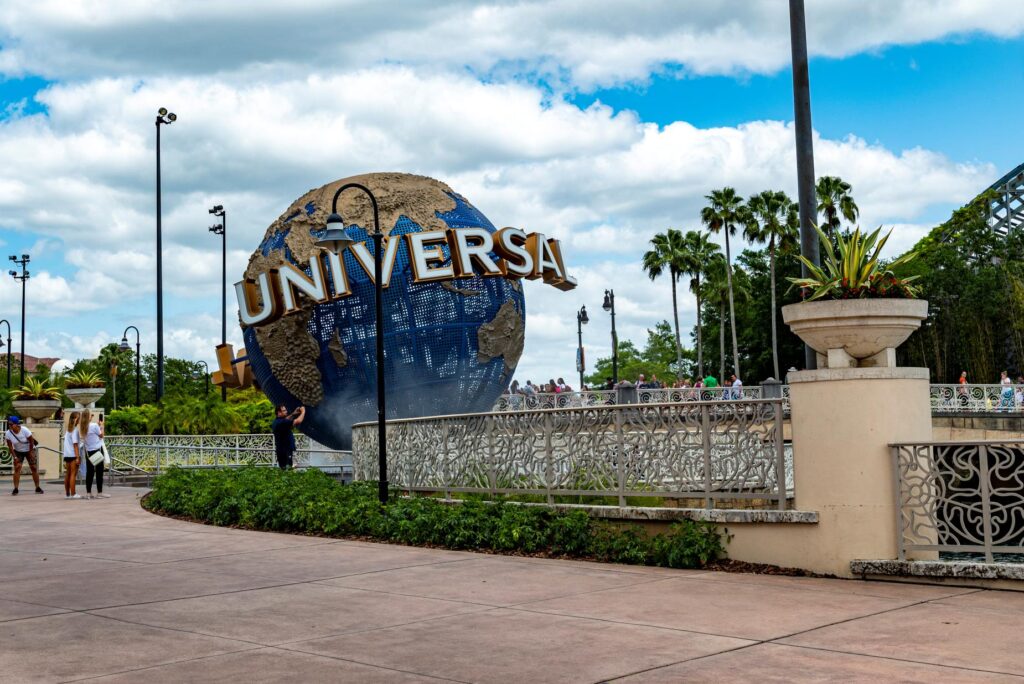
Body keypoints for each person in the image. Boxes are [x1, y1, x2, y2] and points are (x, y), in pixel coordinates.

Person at [4, 417, 43, 495]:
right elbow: (10, 447)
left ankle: (37, 487)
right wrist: (15, 457)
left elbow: (31, 441)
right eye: (9, 424)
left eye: (12, 424)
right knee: (17, 468)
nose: (10, 426)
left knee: (33, 467)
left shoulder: (24, 430)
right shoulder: (8, 433)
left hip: (29, 449)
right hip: (18, 451)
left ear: (17, 424)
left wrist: (31, 452)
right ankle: (15, 488)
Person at [80, 409, 108, 499]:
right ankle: (99, 493)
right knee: (99, 472)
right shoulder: (94, 426)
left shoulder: (83, 426)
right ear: (88, 417)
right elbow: (101, 435)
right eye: (91, 415)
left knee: (90, 472)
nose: (92, 416)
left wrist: (92, 421)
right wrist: (102, 426)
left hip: (88, 451)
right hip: (97, 450)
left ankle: (88, 493)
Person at [271, 405, 305, 469]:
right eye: (284, 411)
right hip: (286, 450)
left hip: (281, 449)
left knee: (283, 468)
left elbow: (286, 419)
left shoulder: (276, 421)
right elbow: (298, 421)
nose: (286, 412)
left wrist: (293, 414)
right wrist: (303, 411)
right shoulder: (283, 422)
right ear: (279, 413)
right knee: (287, 468)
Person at [63, 413, 82, 499]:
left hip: (67, 454)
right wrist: (77, 457)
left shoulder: (68, 430)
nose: (79, 420)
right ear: (75, 419)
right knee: (73, 474)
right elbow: (75, 444)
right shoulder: (75, 430)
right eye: (78, 418)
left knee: (68, 474)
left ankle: (67, 494)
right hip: (73, 454)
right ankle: (73, 493)